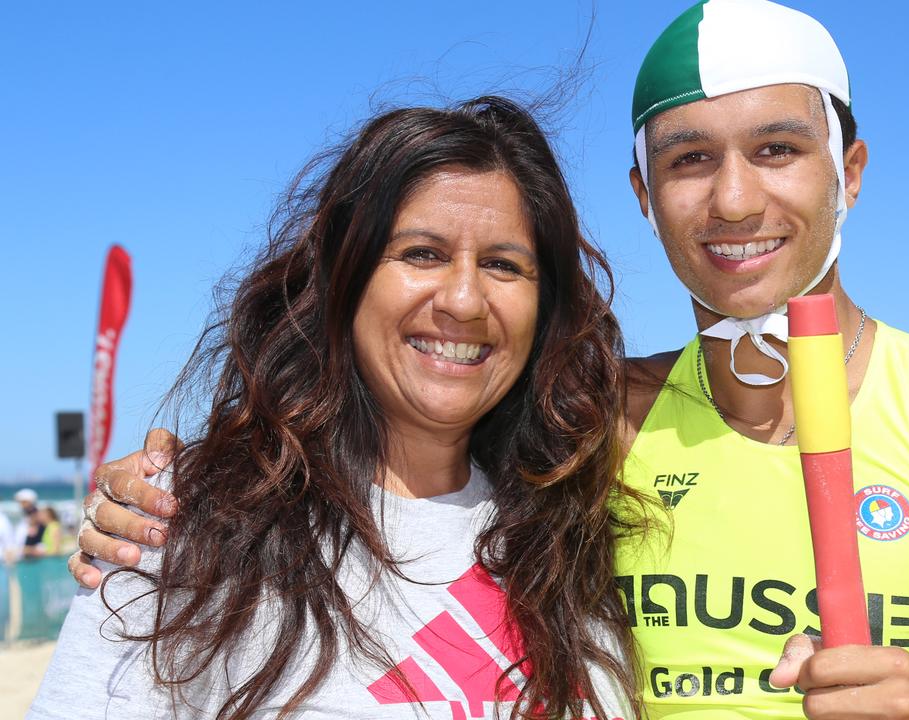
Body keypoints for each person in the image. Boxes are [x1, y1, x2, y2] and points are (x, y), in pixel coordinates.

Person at [74, 1, 909, 718]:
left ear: (849, 170)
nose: (732, 198)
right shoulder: (596, 419)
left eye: (777, 149)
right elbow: (413, 433)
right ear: (642, 196)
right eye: (688, 161)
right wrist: (179, 491)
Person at [32, 97, 640, 719]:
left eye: (503, 264)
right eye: (421, 254)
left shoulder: (582, 528)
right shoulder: (189, 522)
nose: (464, 299)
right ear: (343, 278)